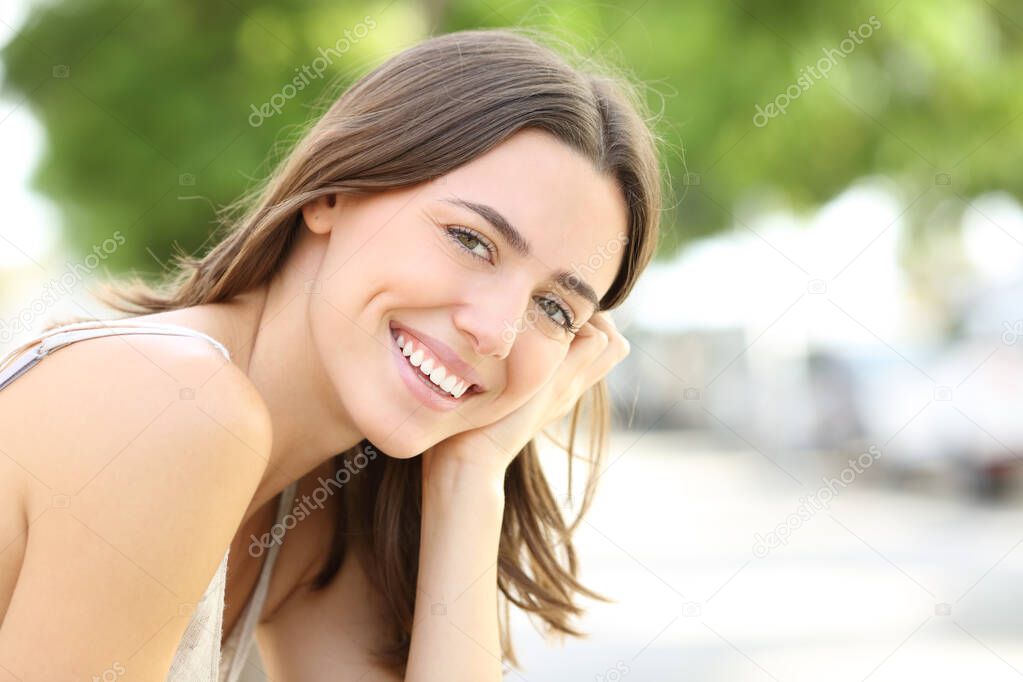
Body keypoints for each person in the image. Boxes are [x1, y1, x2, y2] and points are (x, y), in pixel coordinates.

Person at [0, 26, 662, 681]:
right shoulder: (172, 405)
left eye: (553, 309)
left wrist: (470, 477)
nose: (496, 330)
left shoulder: (318, 512)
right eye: (471, 239)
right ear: (333, 194)